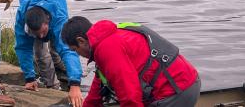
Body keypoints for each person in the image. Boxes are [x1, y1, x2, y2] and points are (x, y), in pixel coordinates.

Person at [62, 16, 201, 107]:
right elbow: (99, 86)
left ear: (81, 41)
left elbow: (130, 96)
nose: (78, 54)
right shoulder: (104, 39)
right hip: (187, 83)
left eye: (75, 50)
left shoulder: (107, 48)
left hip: (176, 91)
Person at [14, 0, 83, 107]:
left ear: (48, 21)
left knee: (58, 46)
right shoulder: (21, 18)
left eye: (43, 32)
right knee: (40, 52)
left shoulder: (58, 18)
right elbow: (23, 48)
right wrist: (29, 78)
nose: (40, 36)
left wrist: (75, 83)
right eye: (36, 33)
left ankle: (64, 70)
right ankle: (52, 86)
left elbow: (68, 50)